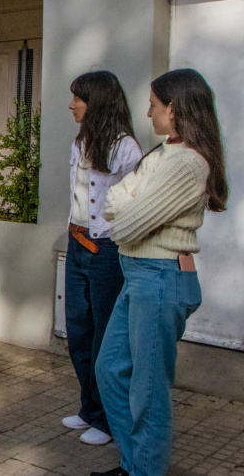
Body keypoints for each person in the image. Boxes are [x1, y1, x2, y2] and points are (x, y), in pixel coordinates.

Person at [93, 68, 228, 476]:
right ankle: (135, 464)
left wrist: (130, 204)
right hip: (139, 275)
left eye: (154, 105)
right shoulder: (161, 154)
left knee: (148, 392)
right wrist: (130, 202)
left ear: (174, 108)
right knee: (109, 370)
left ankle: (144, 470)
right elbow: (114, 200)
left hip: (160, 276)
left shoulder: (188, 164)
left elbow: (127, 227)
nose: (148, 112)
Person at [62, 71, 142, 446]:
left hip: (106, 250)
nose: (72, 105)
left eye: (78, 98)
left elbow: (133, 205)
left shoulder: (126, 149)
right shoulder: (79, 143)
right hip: (76, 243)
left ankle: (108, 420)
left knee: (103, 336)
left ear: (96, 102)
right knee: (78, 331)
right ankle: (89, 409)